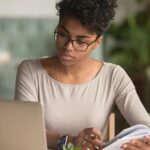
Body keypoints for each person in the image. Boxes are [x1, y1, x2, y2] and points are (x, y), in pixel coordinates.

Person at [15, 0, 150, 149]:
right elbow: (25, 133)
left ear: (97, 42)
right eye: (62, 35)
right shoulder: (30, 71)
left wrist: (145, 144)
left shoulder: (114, 76)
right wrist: (70, 140)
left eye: (80, 41)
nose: (68, 47)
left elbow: (145, 127)